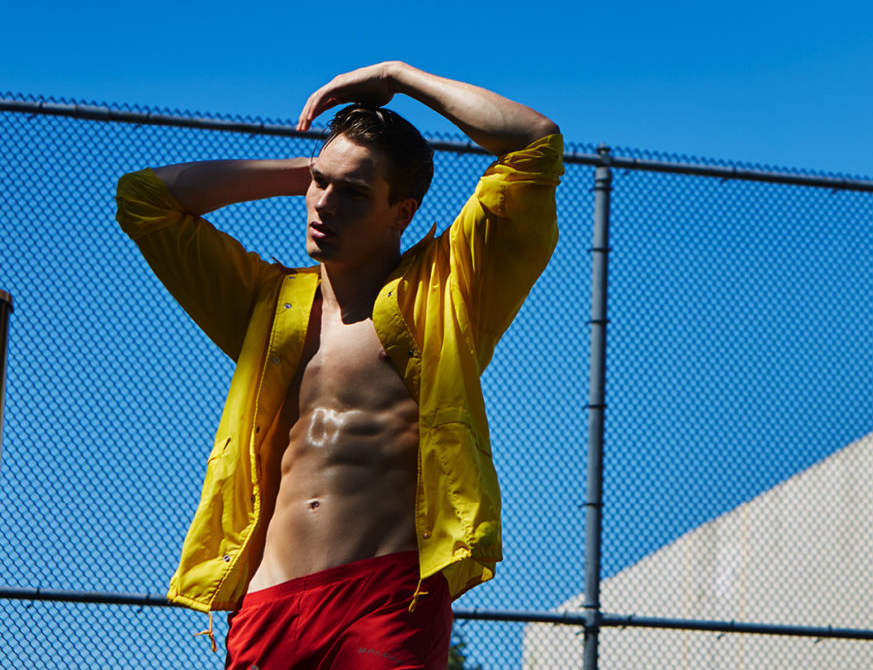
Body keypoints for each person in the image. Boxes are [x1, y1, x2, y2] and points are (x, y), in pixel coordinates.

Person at [115, 61, 562, 670]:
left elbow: (534, 142)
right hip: (269, 608)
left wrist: (396, 76)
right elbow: (145, 200)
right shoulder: (266, 305)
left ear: (402, 212)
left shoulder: (450, 289)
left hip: (388, 600)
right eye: (319, 184)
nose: (323, 205)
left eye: (352, 192)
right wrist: (307, 170)